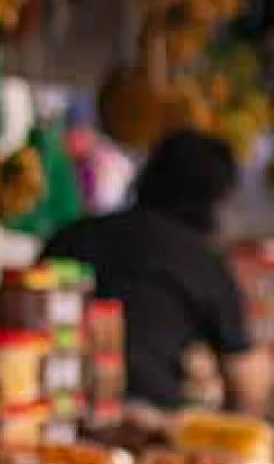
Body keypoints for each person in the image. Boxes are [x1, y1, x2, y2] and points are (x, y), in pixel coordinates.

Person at [43, 129, 271, 416]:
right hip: (148, 424)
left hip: (50, 413)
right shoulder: (200, 260)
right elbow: (249, 384)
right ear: (215, 199)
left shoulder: (74, 236)